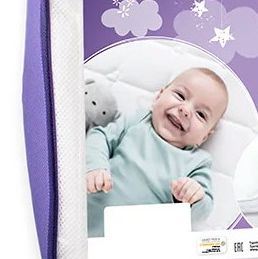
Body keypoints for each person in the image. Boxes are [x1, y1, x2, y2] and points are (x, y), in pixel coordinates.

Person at [85, 67, 228, 238]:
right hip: (85, 216)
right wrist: (96, 166)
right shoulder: (138, 121)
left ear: (205, 136)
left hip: (132, 241)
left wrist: (194, 198)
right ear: (158, 96)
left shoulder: (197, 162)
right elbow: (99, 136)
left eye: (201, 114)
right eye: (180, 96)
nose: (185, 110)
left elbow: (201, 213)